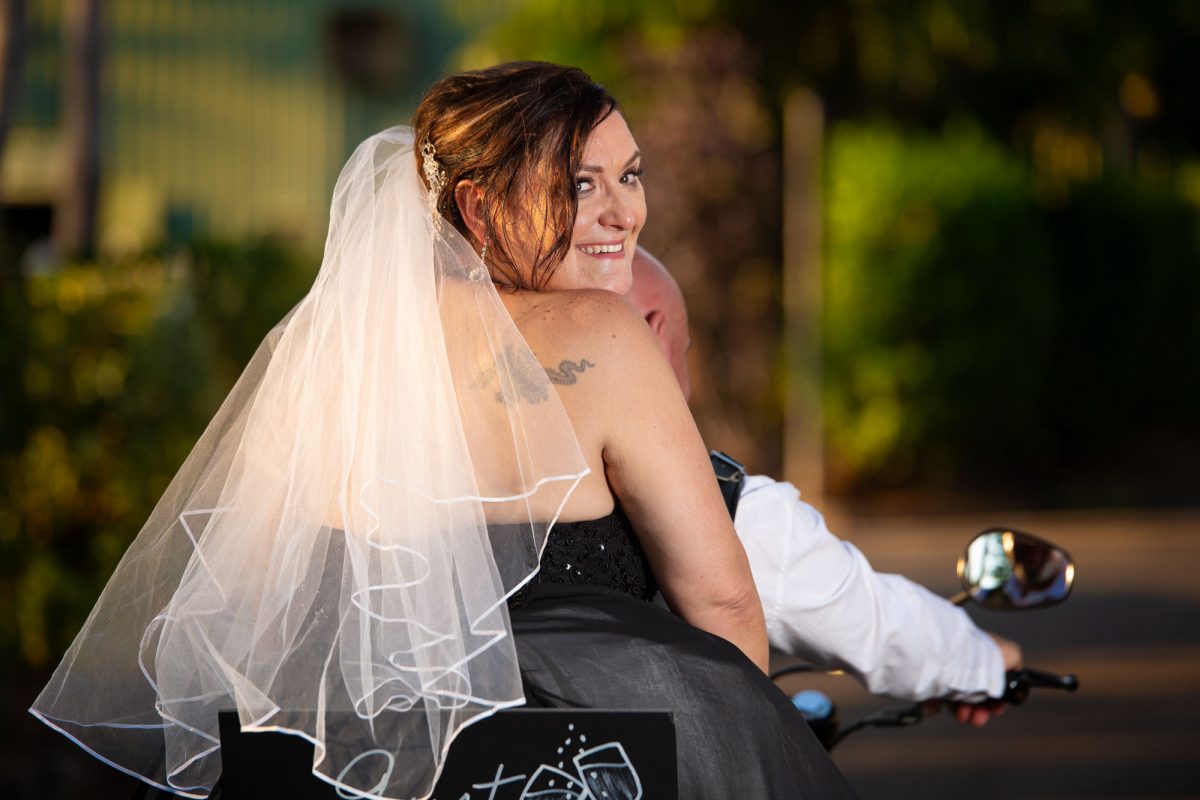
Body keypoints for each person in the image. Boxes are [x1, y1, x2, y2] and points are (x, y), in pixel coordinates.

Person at [32, 62, 857, 800]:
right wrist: (731, 747)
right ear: (477, 205)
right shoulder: (605, 337)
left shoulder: (328, 355)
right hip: (574, 766)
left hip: (344, 765)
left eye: (631, 175)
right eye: (578, 185)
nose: (623, 213)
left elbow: (261, 608)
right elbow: (720, 595)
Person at [627, 246, 1021, 725]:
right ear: (654, 331)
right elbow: (868, 620)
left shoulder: (519, 478)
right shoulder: (716, 507)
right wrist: (982, 659)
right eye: (687, 350)